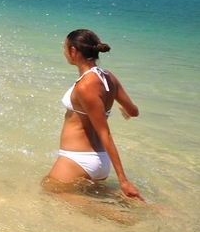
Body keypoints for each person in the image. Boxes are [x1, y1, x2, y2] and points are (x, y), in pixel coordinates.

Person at [42, 29, 144, 204]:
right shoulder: (108, 77)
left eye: (65, 47)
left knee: (49, 190)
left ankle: (124, 220)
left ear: (73, 51)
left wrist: (123, 180)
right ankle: (147, 208)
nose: (64, 52)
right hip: (98, 159)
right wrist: (123, 107)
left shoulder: (85, 86)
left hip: (78, 158)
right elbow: (134, 111)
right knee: (90, 193)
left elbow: (105, 133)